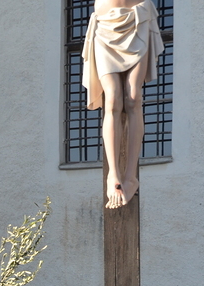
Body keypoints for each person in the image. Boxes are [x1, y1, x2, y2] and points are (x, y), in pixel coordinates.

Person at [82, 0, 164, 209]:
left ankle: (130, 177)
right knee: (112, 99)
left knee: (134, 97)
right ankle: (113, 174)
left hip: (137, 19)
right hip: (105, 26)